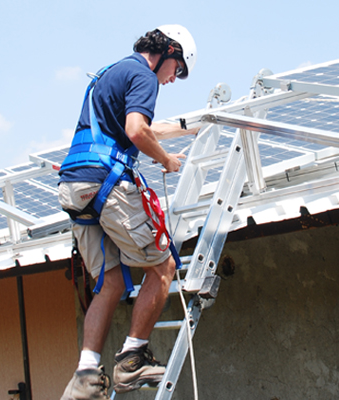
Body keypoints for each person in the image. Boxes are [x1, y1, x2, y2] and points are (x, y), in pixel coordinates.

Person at [58, 25, 199, 399]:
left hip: (76, 186)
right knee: (164, 267)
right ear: (168, 52)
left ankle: (86, 374)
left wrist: (188, 129)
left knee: (112, 282)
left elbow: (136, 128)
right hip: (108, 182)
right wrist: (166, 160)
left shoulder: (111, 73)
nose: (174, 79)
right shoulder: (143, 75)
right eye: (178, 69)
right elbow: (138, 131)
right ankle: (132, 360)